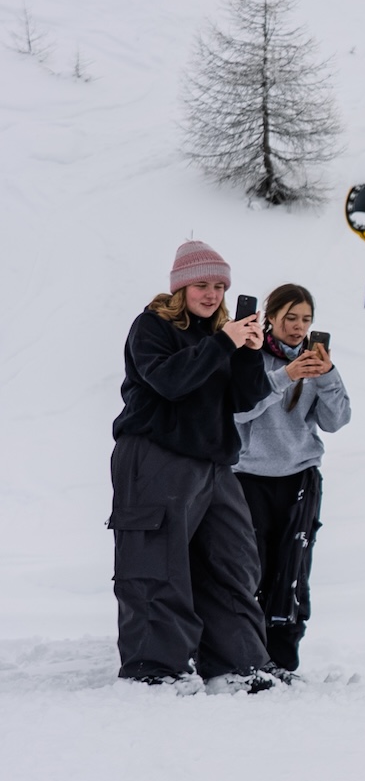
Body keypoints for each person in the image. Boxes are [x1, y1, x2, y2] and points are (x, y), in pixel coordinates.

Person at [109, 240, 276, 690]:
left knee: (232, 562)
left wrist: (248, 351)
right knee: (156, 563)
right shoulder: (152, 326)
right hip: (155, 453)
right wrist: (224, 342)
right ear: (180, 287)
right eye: (202, 284)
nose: (212, 294)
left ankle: (238, 664)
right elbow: (169, 380)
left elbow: (247, 399)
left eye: (220, 286)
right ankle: (156, 669)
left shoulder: (221, 334)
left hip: (213, 461)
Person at [233, 283, 350, 673]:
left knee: (293, 569)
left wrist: (327, 374)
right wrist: (285, 375)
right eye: (290, 318)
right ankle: (246, 656)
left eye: (306, 319)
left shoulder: (313, 363)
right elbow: (240, 410)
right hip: (248, 477)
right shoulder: (250, 354)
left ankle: (283, 659)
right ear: (271, 318)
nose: (299, 327)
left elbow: (336, 420)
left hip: (300, 476)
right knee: (249, 568)